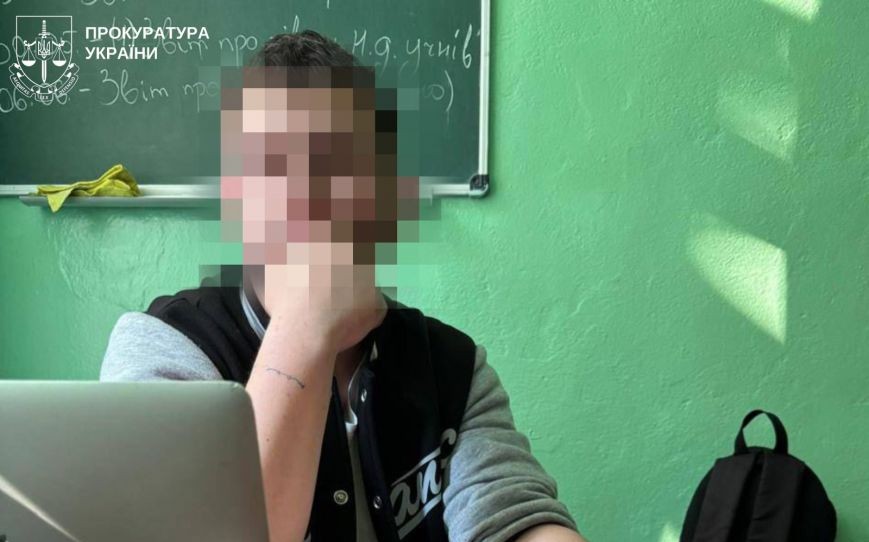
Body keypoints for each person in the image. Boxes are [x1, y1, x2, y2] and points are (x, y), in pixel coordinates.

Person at [100, 30, 586, 542]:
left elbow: (514, 519)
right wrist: (306, 324)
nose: (310, 196)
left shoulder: (454, 369)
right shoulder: (164, 348)